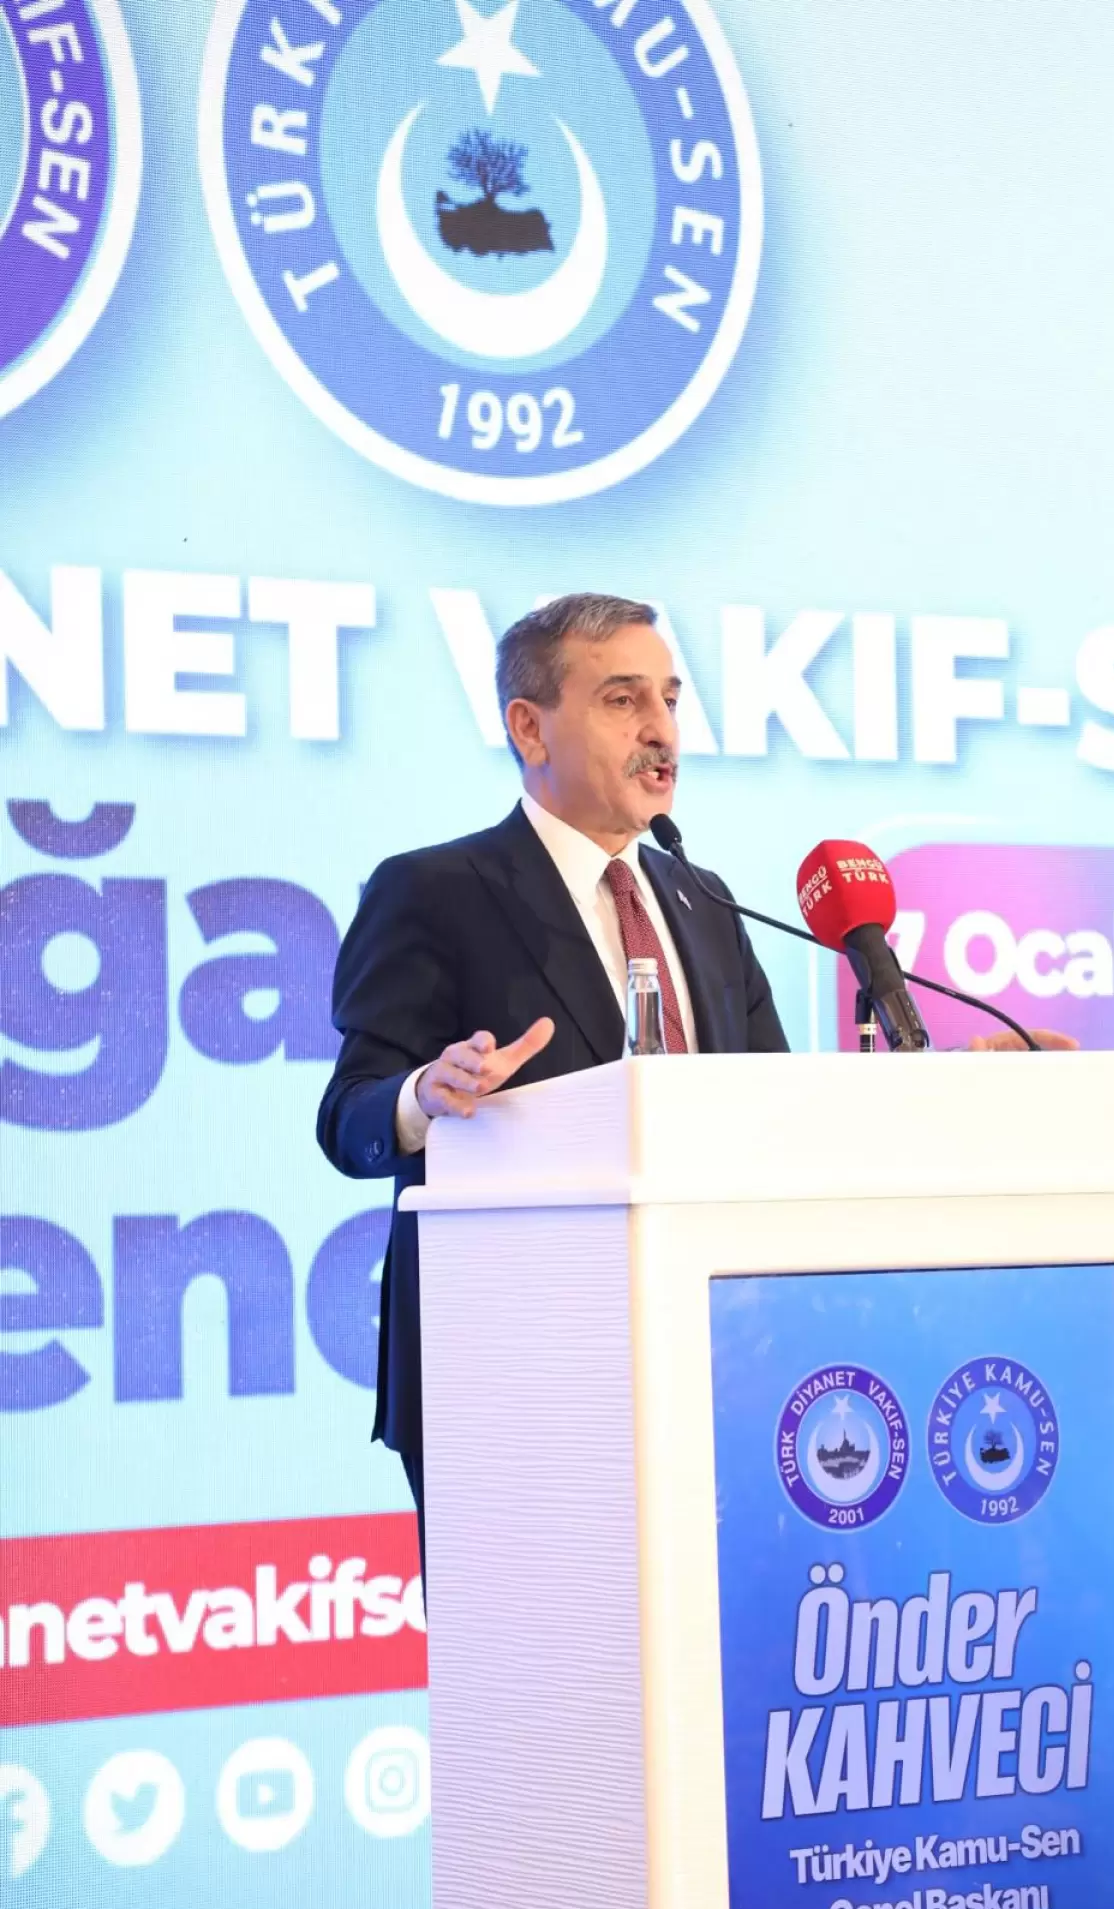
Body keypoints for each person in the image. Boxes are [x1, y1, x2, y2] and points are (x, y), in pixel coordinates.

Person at [316, 592, 1073, 1571]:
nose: (661, 730)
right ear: (528, 727)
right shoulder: (436, 891)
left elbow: (776, 1114)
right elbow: (348, 1115)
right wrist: (427, 1092)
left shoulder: (702, 900)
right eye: (622, 699)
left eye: (669, 699)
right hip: (512, 1378)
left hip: (721, 1362)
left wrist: (953, 1090)